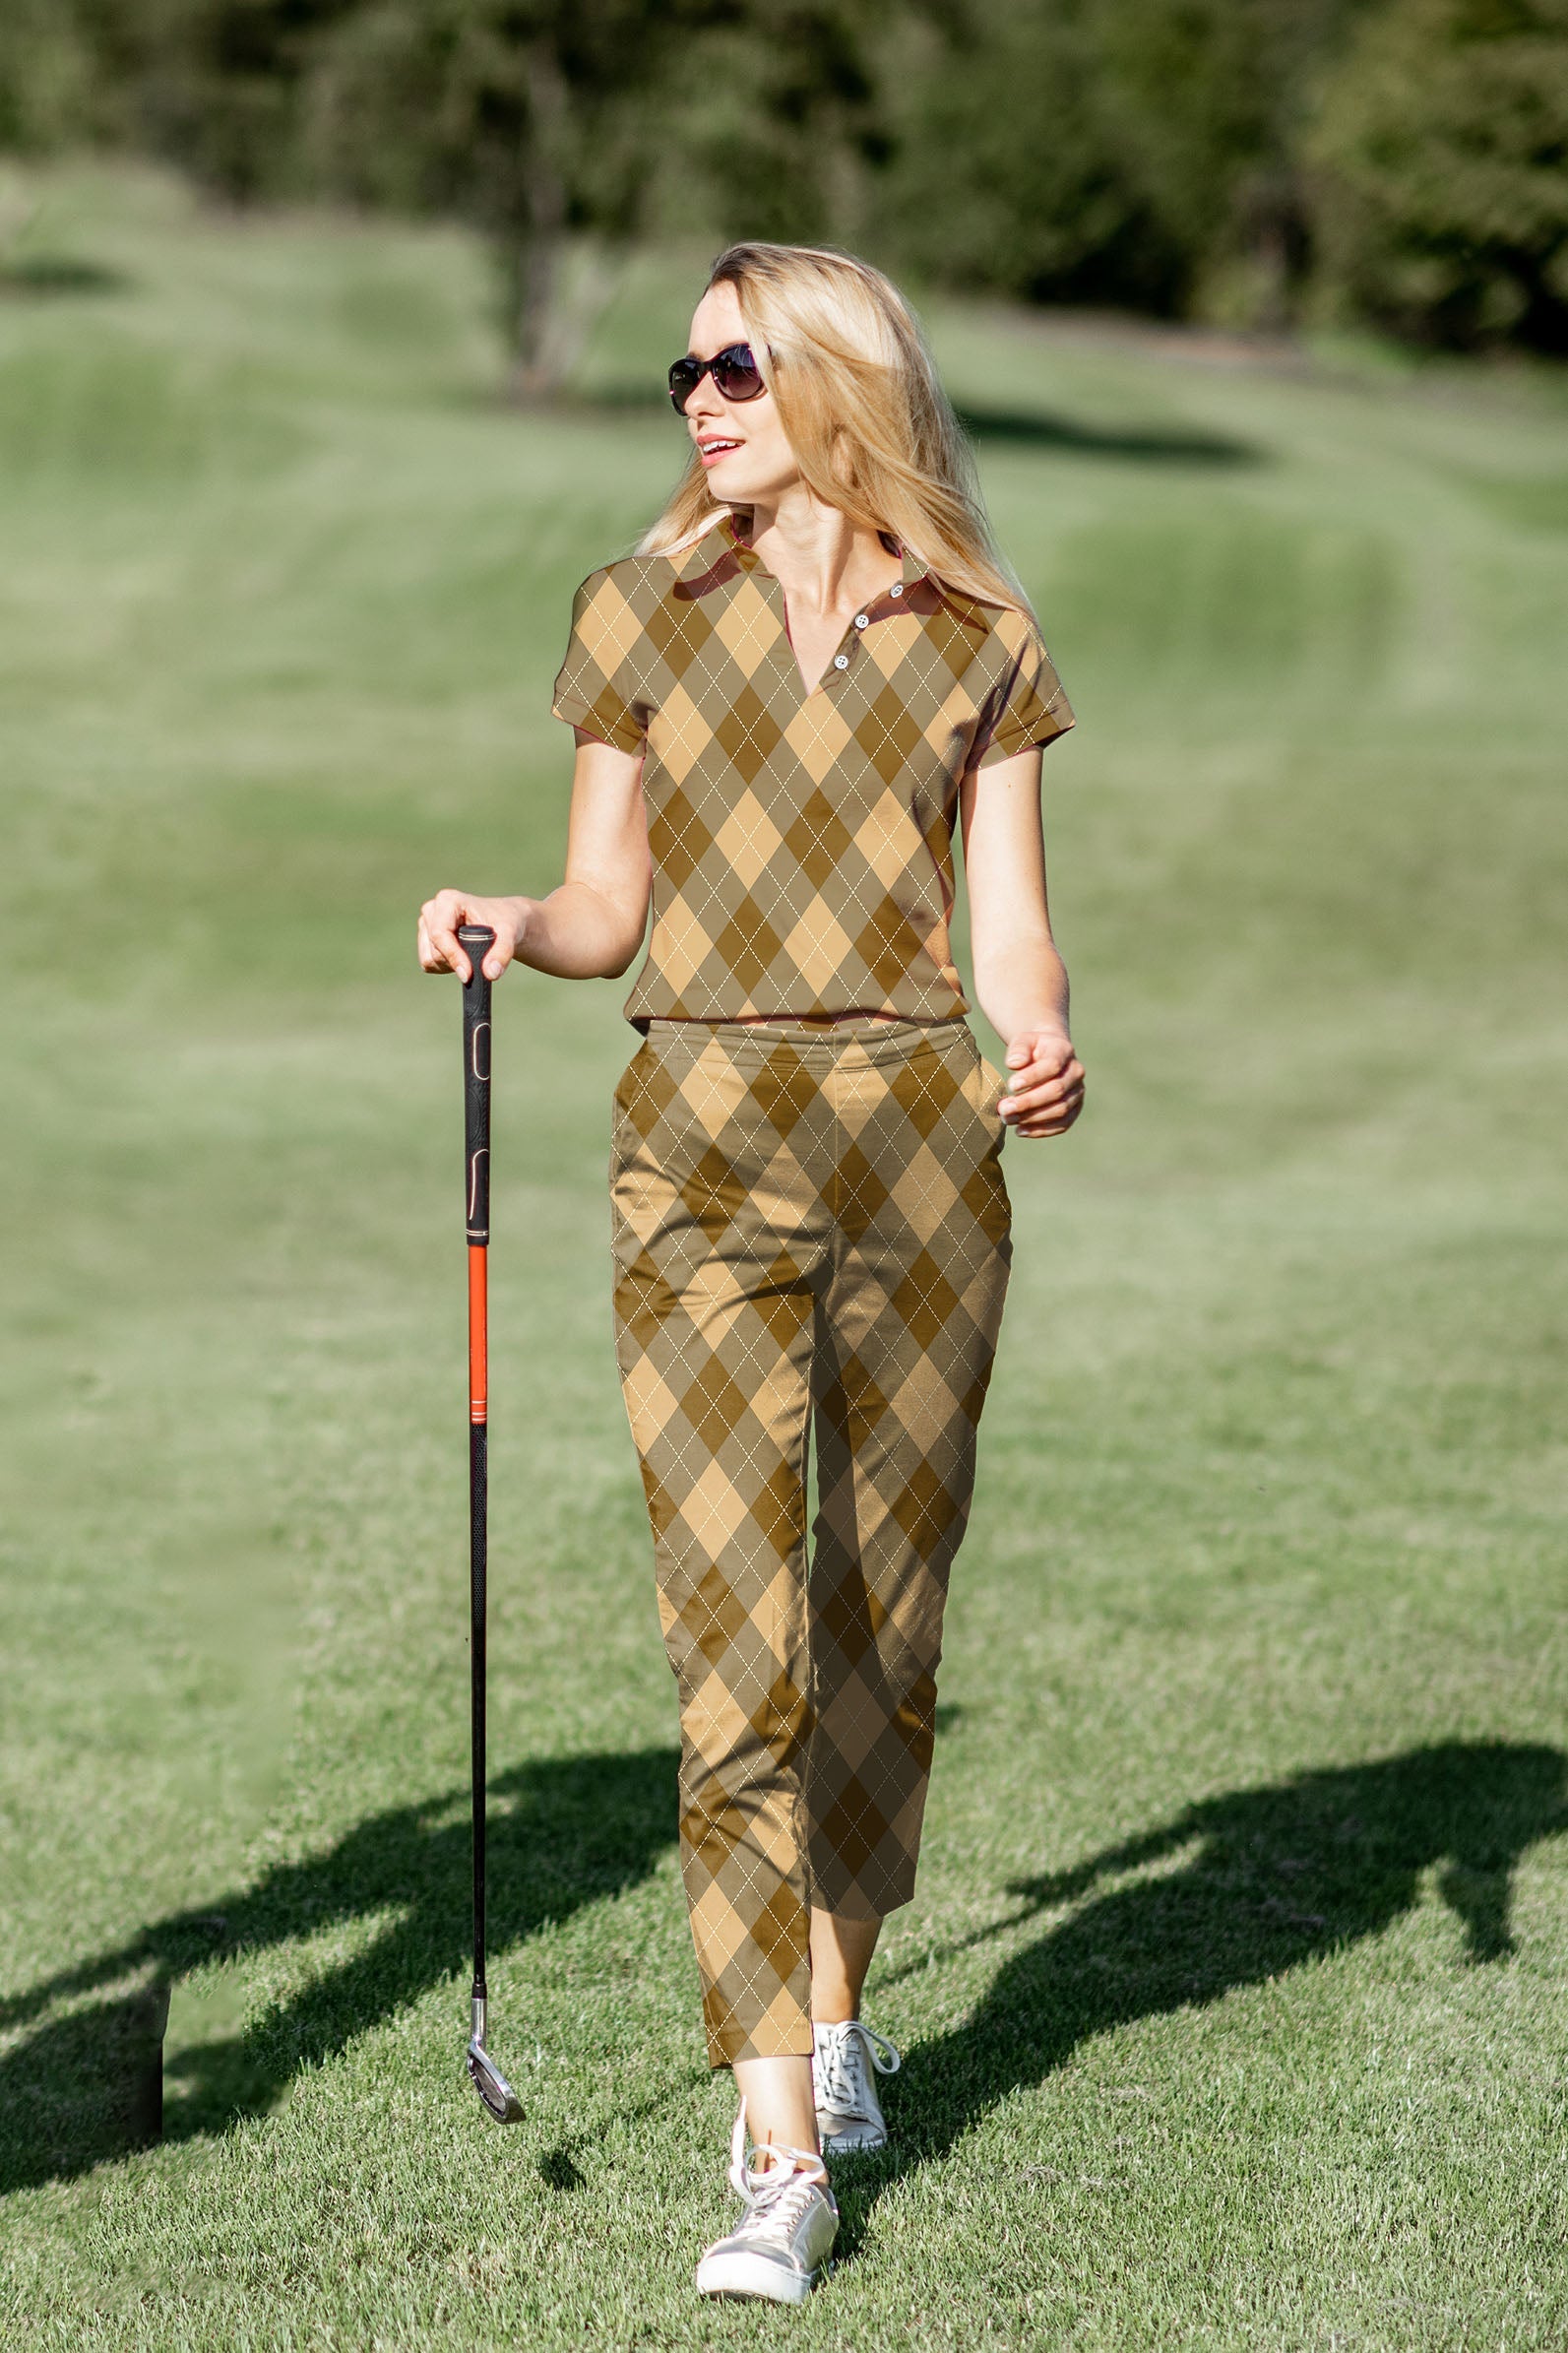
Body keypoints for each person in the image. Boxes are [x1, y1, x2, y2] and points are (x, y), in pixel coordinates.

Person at [417, 239, 1085, 2305]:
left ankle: (836, 2006)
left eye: (728, 367)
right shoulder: (636, 614)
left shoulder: (975, 634)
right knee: (735, 1660)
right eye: (682, 372)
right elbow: (613, 898)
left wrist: (1039, 1029)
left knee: (877, 1628)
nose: (694, 401)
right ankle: (775, 2134)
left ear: (828, 383)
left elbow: (1007, 917)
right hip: (695, 1147)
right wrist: (514, 922)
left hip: (913, 1151)